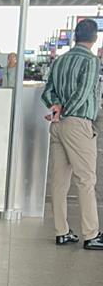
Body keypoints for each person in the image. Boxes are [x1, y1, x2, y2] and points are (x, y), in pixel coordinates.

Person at [41, 16, 103, 250]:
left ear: (75, 35)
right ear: (95, 38)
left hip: (57, 125)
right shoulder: (91, 61)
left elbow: (47, 91)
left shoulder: (61, 60)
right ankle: (91, 234)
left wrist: (56, 107)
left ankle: (62, 231)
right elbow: (83, 91)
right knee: (86, 179)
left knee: (59, 182)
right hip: (77, 124)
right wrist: (65, 110)